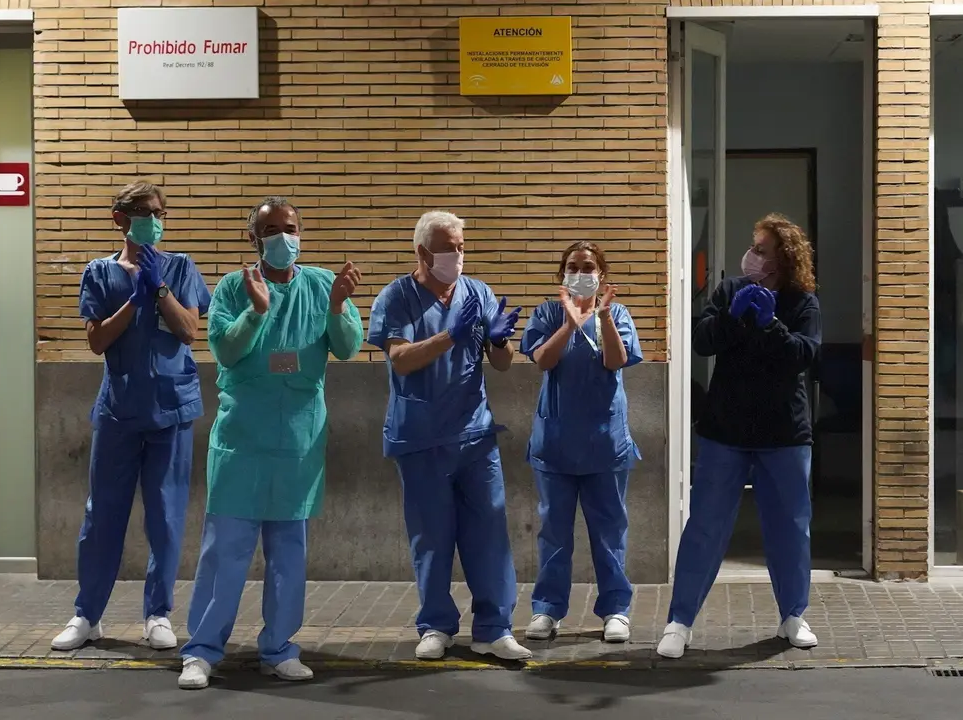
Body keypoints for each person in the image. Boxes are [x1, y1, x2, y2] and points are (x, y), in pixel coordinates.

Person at [178, 196, 364, 690]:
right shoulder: (235, 288)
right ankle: (201, 649)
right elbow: (225, 351)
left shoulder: (324, 285)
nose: (285, 237)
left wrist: (339, 305)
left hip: (299, 441)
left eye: (292, 227)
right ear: (254, 238)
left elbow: (347, 349)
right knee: (226, 552)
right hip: (243, 439)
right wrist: (257, 313)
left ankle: (279, 647)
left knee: (289, 554)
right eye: (273, 229)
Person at [52, 181, 211, 652]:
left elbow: (187, 331)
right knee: (102, 515)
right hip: (119, 410)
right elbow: (97, 340)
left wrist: (158, 288)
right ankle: (87, 614)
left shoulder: (180, 267)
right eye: (142, 211)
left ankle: (158, 613)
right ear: (119, 218)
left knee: (164, 515)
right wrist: (134, 300)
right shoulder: (99, 273)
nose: (152, 218)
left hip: (172, 410)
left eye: (158, 211)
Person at [367, 210, 532, 662]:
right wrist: (450, 336)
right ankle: (436, 625)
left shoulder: (478, 292)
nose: (457, 255)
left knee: (489, 534)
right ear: (423, 252)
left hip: (474, 434)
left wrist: (498, 341)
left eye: (462, 246)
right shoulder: (397, 297)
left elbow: (501, 363)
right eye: (449, 248)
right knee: (432, 536)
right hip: (421, 436)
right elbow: (400, 358)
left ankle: (494, 628)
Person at [657, 213, 822, 660]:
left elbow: (802, 356)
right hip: (725, 430)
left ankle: (793, 616)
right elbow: (703, 341)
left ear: (784, 258)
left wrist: (770, 323)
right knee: (706, 525)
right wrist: (732, 317)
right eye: (754, 247)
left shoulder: (802, 302)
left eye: (762, 250)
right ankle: (680, 621)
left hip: (784, 434)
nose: (752, 256)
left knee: (789, 528)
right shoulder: (730, 291)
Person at [519, 241, 643, 644]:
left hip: (604, 445)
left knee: (609, 532)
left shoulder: (618, 313)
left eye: (588, 266)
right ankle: (547, 610)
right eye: (572, 266)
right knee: (554, 533)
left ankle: (616, 610)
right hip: (555, 444)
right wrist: (570, 324)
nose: (580, 272)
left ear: (601, 274)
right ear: (562, 274)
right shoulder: (547, 313)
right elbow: (542, 360)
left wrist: (601, 318)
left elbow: (615, 361)